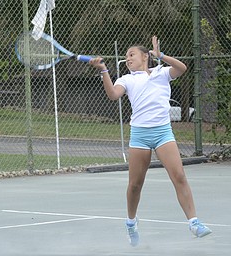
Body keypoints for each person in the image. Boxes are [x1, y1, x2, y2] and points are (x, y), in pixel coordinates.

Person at [89, 36, 212, 247]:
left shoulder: (161, 72)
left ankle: (194, 222)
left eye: (131, 54)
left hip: (163, 132)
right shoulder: (126, 80)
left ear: (145, 56)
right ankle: (131, 222)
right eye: (126, 56)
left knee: (179, 176)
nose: (127, 59)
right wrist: (103, 71)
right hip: (139, 134)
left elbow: (182, 68)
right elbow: (112, 95)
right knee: (135, 185)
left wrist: (161, 56)